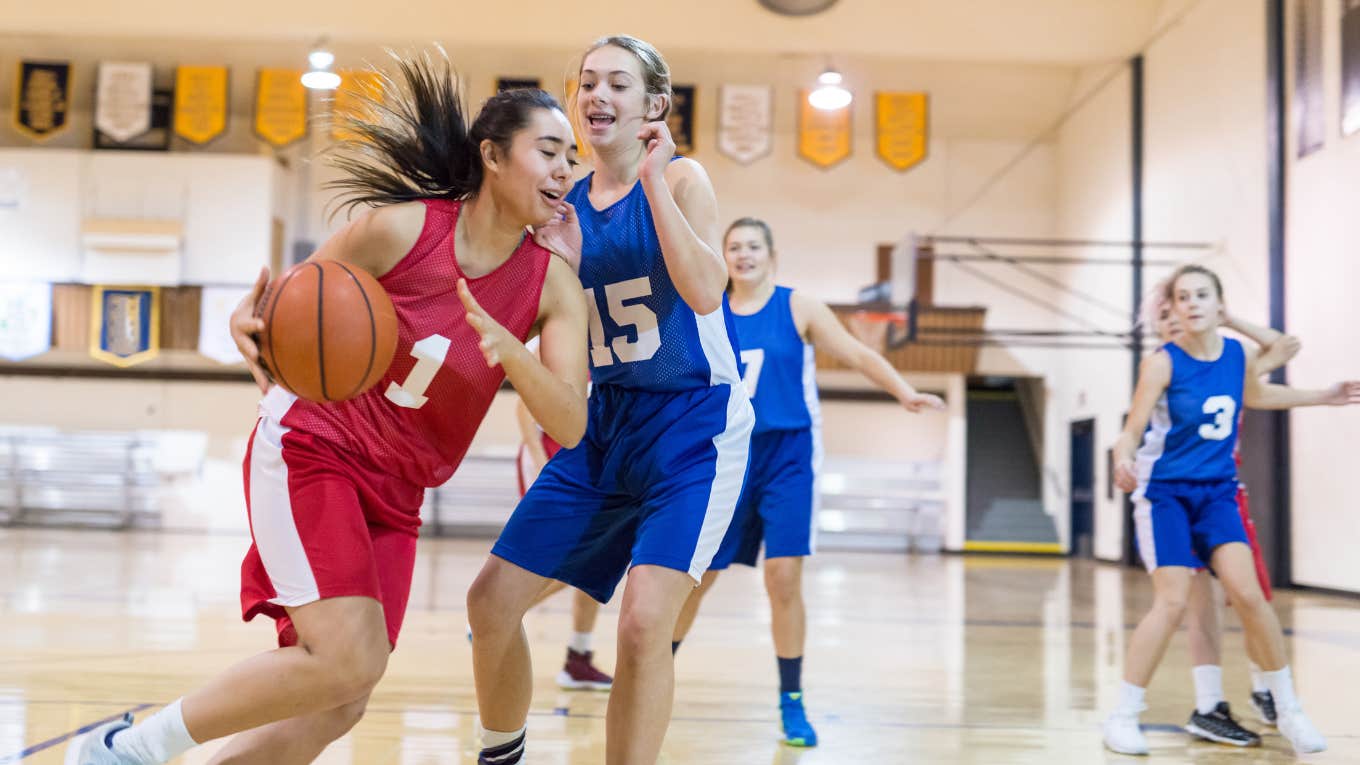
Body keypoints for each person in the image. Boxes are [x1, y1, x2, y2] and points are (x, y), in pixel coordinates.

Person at [67, 57, 589, 765]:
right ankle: (124, 750)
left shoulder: (553, 285)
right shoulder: (401, 231)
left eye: (571, 158)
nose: (564, 170)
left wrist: (512, 351)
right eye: (548, 151)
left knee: (342, 697)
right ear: (492, 156)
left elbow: (570, 422)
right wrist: (247, 324)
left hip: (399, 486)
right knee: (345, 657)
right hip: (317, 446)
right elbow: (285, 311)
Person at [465, 34, 754, 765]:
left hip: (694, 422)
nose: (598, 95)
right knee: (490, 601)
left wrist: (654, 181)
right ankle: (501, 752)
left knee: (640, 624)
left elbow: (705, 291)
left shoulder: (684, 179)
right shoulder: (557, 207)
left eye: (619, 84)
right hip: (605, 424)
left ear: (654, 105)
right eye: (588, 81)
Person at [669, 217, 944, 747]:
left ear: (772, 255)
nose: (743, 254)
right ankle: (653, 669)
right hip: (727, 457)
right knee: (698, 578)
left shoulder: (798, 307)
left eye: (753, 246)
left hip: (787, 457)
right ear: (722, 255)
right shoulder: (707, 307)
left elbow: (858, 352)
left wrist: (903, 391)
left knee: (784, 578)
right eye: (734, 247)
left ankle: (791, 700)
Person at [1102, 264, 1359, 756]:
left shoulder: (1236, 355)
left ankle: (1289, 709)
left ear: (1220, 305)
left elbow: (1260, 394)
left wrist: (1322, 398)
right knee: (1174, 601)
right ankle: (1123, 714)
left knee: (1249, 593)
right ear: (1172, 307)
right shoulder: (1161, 363)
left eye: (1202, 295)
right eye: (1183, 297)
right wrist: (1121, 456)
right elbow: (1132, 428)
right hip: (1167, 494)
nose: (1192, 303)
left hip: (1217, 492)